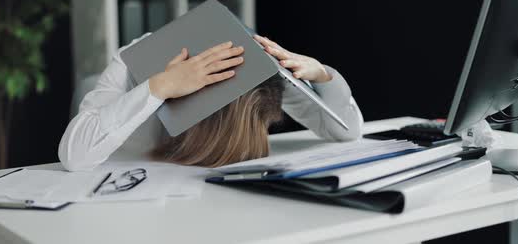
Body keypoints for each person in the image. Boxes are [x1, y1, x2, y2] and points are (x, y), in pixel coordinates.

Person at [58, 34, 364, 171]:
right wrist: (161, 86)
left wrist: (323, 75)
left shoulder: (254, 67)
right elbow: (74, 155)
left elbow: (346, 131)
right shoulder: (134, 63)